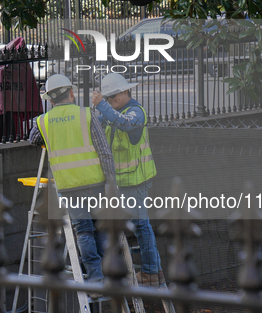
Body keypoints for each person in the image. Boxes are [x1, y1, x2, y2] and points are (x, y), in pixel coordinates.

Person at [29, 74, 115, 286]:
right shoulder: (86, 114)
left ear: (50, 100)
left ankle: (95, 278)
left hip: (69, 187)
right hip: (95, 183)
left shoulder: (43, 121)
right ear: (71, 92)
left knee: (84, 231)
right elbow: (104, 152)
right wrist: (111, 181)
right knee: (101, 228)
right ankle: (110, 275)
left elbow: (33, 139)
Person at [92, 73, 165, 287]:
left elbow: (124, 124)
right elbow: (97, 125)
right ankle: (154, 271)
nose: (111, 102)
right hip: (122, 182)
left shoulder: (136, 111)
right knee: (136, 226)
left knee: (141, 226)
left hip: (136, 181)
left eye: (113, 97)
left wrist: (102, 106)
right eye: (108, 98)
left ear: (125, 92)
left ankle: (151, 272)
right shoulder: (112, 111)